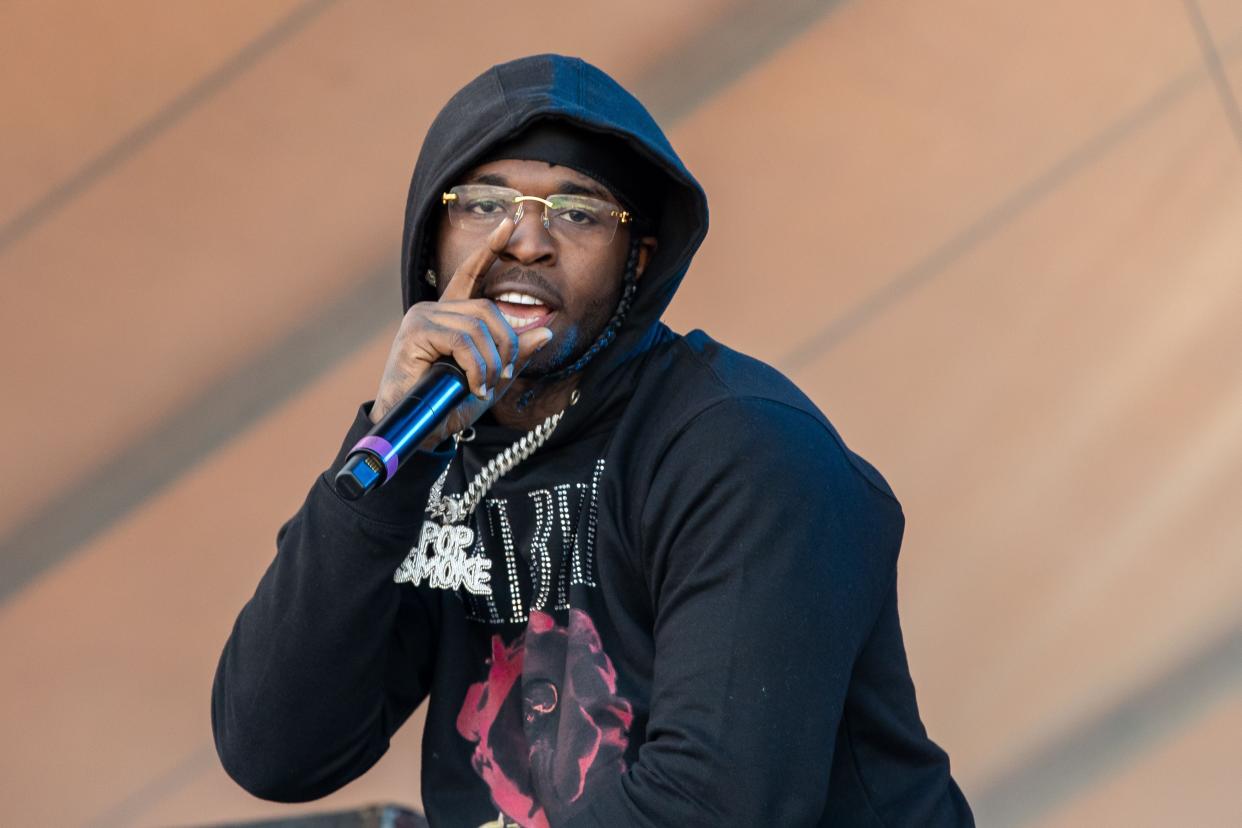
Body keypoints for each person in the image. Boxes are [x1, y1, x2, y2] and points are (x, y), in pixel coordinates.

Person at [212, 53, 973, 827]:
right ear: (430, 241)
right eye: (483, 204)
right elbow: (277, 748)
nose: (526, 241)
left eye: (578, 214)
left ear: (636, 262)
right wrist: (391, 443)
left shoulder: (741, 448)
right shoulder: (427, 454)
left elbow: (710, 808)